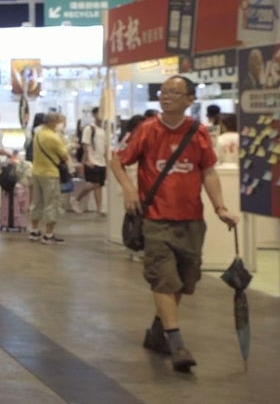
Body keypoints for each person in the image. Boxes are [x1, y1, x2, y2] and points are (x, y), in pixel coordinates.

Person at [108, 75, 238, 373]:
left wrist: (220, 208)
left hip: (192, 220)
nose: (166, 97)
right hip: (156, 219)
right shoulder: (147, 129)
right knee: (164, 279)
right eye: (164, 92)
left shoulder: (199, 133)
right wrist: (129, 189)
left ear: (190, 100)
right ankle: (177, 343)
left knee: (183, 280)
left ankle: (158, 330)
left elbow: (208, 172)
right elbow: (117, 160)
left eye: (174, 93)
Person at [28, 112, 69, 244]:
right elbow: (64, 156)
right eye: (58, 121)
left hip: (36, 172)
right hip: (50, 174)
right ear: (52, 122)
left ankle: (34, 231)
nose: (60, 124)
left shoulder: (38, 134)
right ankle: (49, 234)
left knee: (36, 203)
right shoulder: (53, 137)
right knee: (52, 204)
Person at [71, 107, 110, 215]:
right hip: (92, 160)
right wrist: (88, 160)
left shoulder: (103, 130)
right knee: (94, 183)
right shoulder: (89, 129)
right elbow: (85, 144)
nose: (101, 116)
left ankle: (99, 208)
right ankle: (76, 199)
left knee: (99, 185)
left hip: (101, 161)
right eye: (99, 114)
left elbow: (105, 147)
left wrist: (107, 162)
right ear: (94, 115)